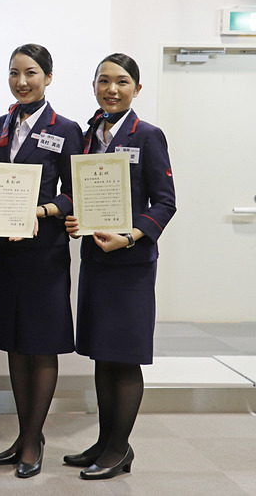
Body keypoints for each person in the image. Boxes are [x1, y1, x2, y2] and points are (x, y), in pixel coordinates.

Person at [63, 53, 176, 480]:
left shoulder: (148, 136)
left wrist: (130, 235)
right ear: (93, 86)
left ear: (137, 89)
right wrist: (74, 218)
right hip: (95, 260)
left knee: (125, 358)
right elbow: (79, 193)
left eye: (122, 82)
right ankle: (104, 440)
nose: (112, 89)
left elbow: (166, 202)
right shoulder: (90, 135)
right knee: (102, 355)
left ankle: (119, 448)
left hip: (130, 264)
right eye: (104, 81)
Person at [0, 44, 82, 478]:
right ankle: (24, 435)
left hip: (44, 251)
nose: (22, 81)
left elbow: (74, 192)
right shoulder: (0, 125)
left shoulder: (67, 127)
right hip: (6, 249)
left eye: (32, 73)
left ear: (49, 77)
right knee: (14, 342)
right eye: (15, 73)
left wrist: (40, 211)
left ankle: (34, 438)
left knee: (40, 344)